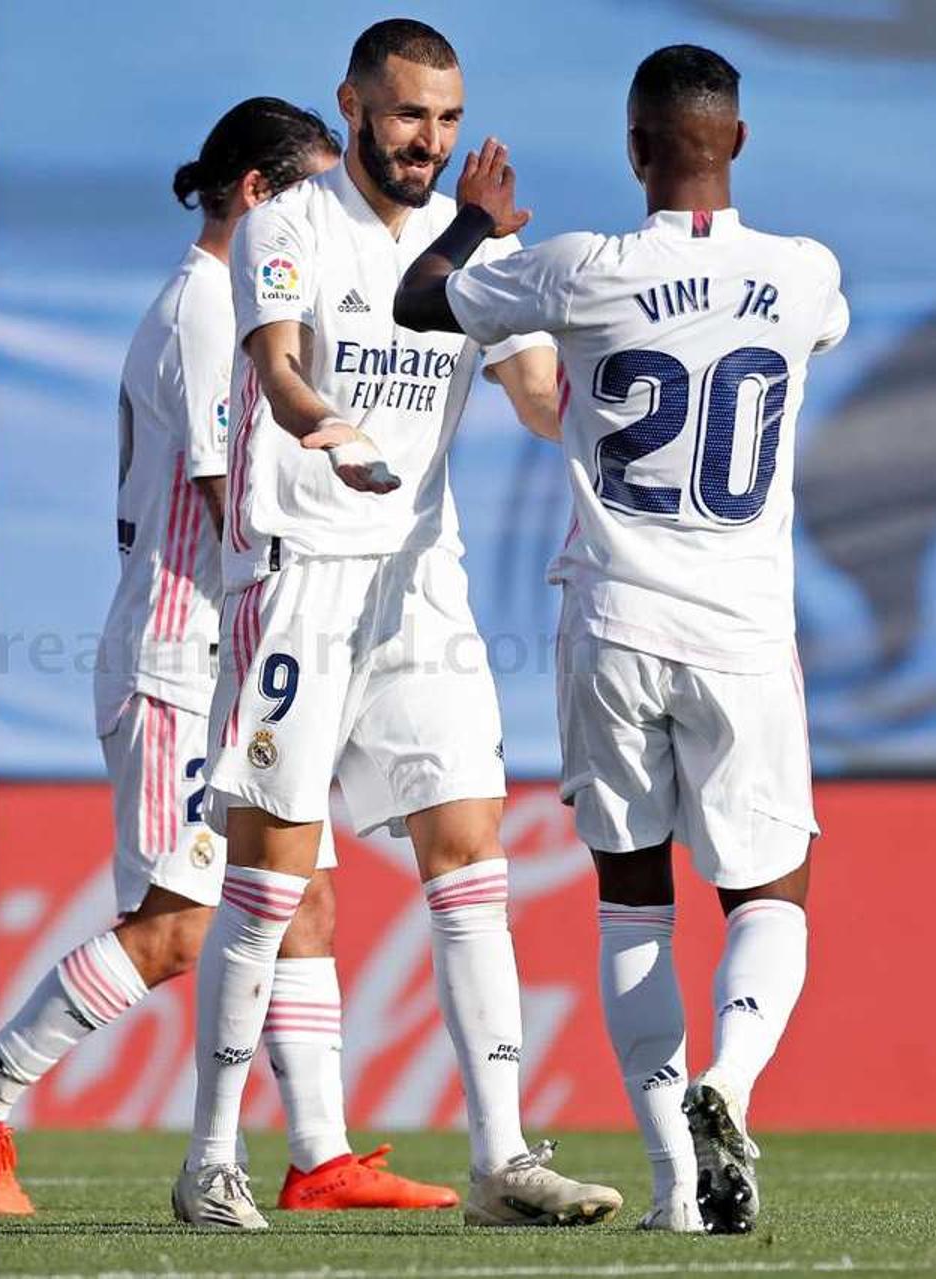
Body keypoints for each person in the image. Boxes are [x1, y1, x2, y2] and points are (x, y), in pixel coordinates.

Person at [173, 20, 623, 1231]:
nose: (429, 141)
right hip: (301, 575)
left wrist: (623, 396)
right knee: (269, 878)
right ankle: (211, 1154)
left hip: (422, 581)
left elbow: (539, 398)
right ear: (356, 106)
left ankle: (500, 1157)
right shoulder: (288, 225)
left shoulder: (473, 253)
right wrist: (327, 424)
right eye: (408, 114)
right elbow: (277, 366)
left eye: (447, 118)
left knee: (472, 854)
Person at [394, 44, 850, 1235]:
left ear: (634, 150)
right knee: (771, 889)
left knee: (633, 899)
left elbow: (421, 300)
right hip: (744, 633)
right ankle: (732, 1087)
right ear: (738, 143)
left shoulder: (580, 268)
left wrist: (473, 222)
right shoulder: (804, 274)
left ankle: (672, 1189)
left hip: (610, 622)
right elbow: (818, 333)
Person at [0, 97, 456, 1218]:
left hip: (242, 655)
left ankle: (322, 1156)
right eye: (304, 195)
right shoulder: (208, 307)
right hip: (181, 662)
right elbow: (224, 488)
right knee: (185, 924)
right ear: (255, 196)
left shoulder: (234, 304)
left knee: (308, 900)